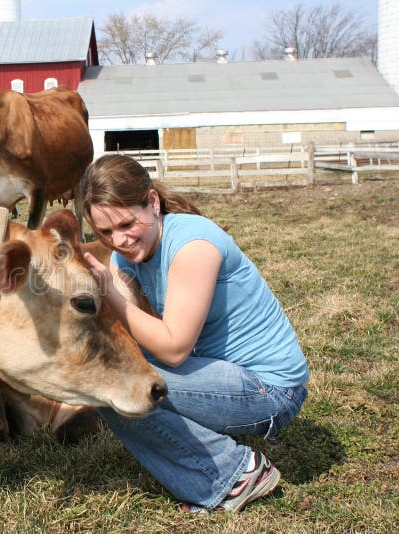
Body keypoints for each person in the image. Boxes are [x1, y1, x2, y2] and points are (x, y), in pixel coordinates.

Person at [81, 154, 309, 513]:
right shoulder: (131, 254)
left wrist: (114, 296)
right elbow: (136, 330)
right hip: (224, 375)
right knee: (111, 371)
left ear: (152, 203)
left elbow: (173, 348)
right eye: (105, 233)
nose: (119, 240)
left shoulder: (192, 246)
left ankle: (233, 475)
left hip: (272, 391)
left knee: (116, 383)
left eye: (126, 223)